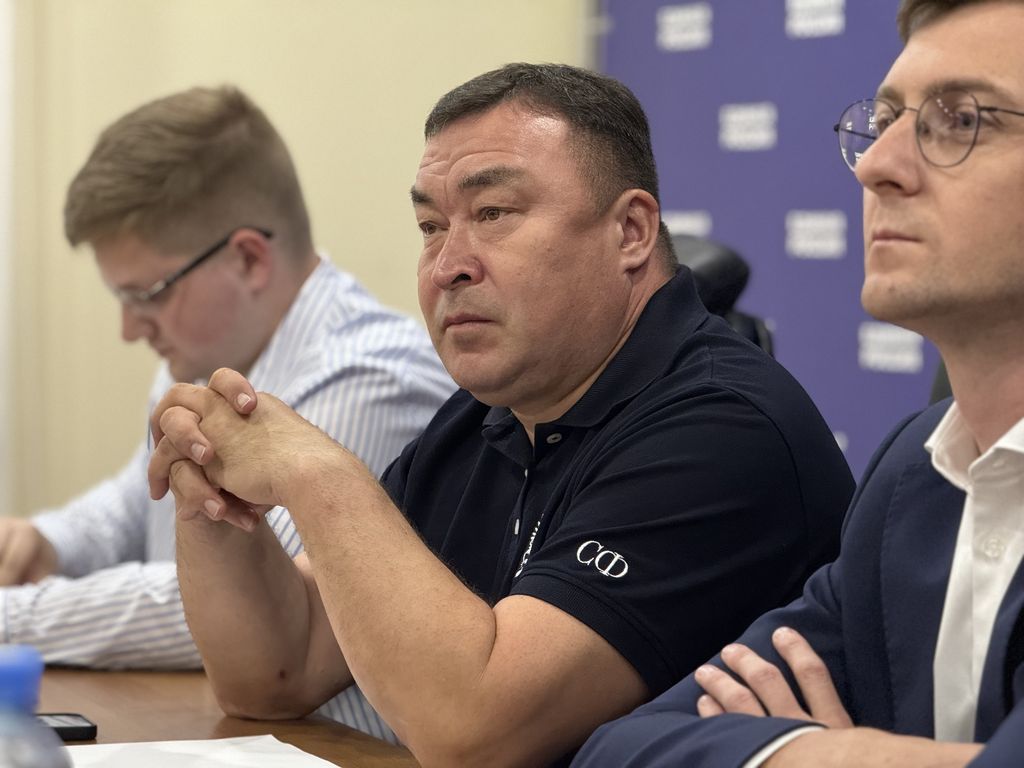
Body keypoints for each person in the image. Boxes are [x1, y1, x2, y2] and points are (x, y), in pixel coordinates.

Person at [147, 64, 854, 767]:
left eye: (493, 214)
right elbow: (275, 673)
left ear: (631, 231)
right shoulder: (483, 417)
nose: (446, 265)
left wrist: (317, 473)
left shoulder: (724, 429)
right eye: (430, 226)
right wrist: (205, 491)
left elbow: (474, 732)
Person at [572, 2, 1024, 766]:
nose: (877, 165)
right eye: (885, 120)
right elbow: (619, 750)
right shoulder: (913, 472)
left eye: (959, 121)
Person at [0, 85, 454, 742]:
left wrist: (11, 616)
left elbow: (250, 612)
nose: (130, 328)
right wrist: (45, 541)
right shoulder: (200, 359)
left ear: (247, 258)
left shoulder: (371, 380)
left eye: (147, 294)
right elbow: (133, 505)